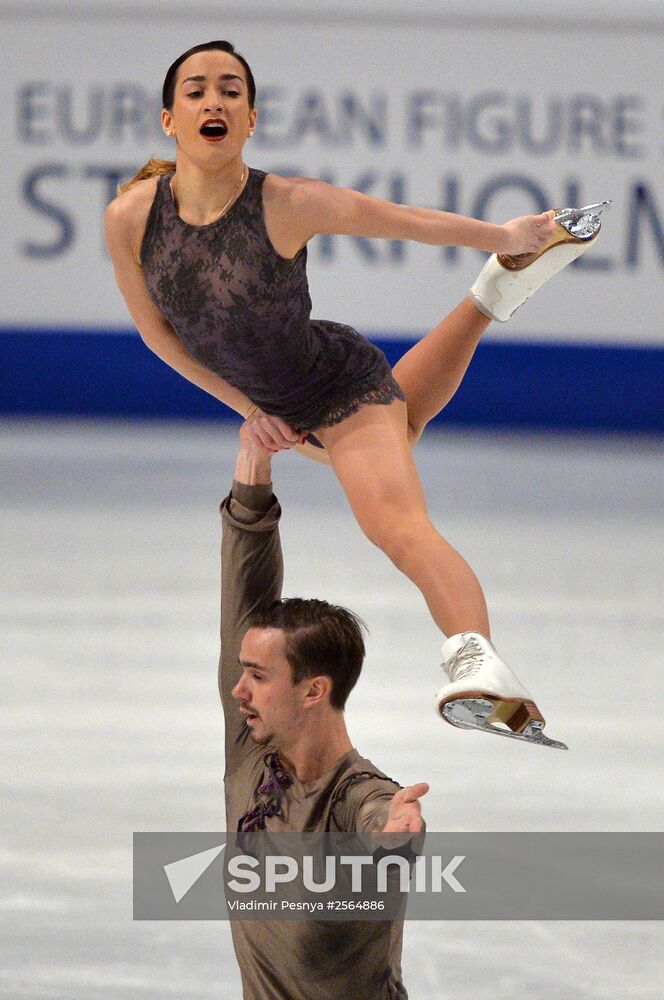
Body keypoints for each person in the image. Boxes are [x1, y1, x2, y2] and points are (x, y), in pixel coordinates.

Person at [104, 39, 600, 746]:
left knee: (393, 525)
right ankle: (497, 290)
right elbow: (159, 335)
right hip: (281, 411)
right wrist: (249, 410)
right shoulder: (130, 218)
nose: (214, 99)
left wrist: (505, 231)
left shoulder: (286, 203)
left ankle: (479, 664)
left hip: (339, 389)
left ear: (250, 119)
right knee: (412, 419)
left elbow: (401, 219)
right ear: (169, 119)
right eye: (196, 89)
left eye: (231, 90)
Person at [221, 420, 427, 998]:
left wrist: (396, 834)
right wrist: (252, 460)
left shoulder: (354, 795)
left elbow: (380, 815)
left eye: (258, 677)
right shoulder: (251, 748)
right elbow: (245, 585)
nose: (238, 692)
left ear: (313, 691)